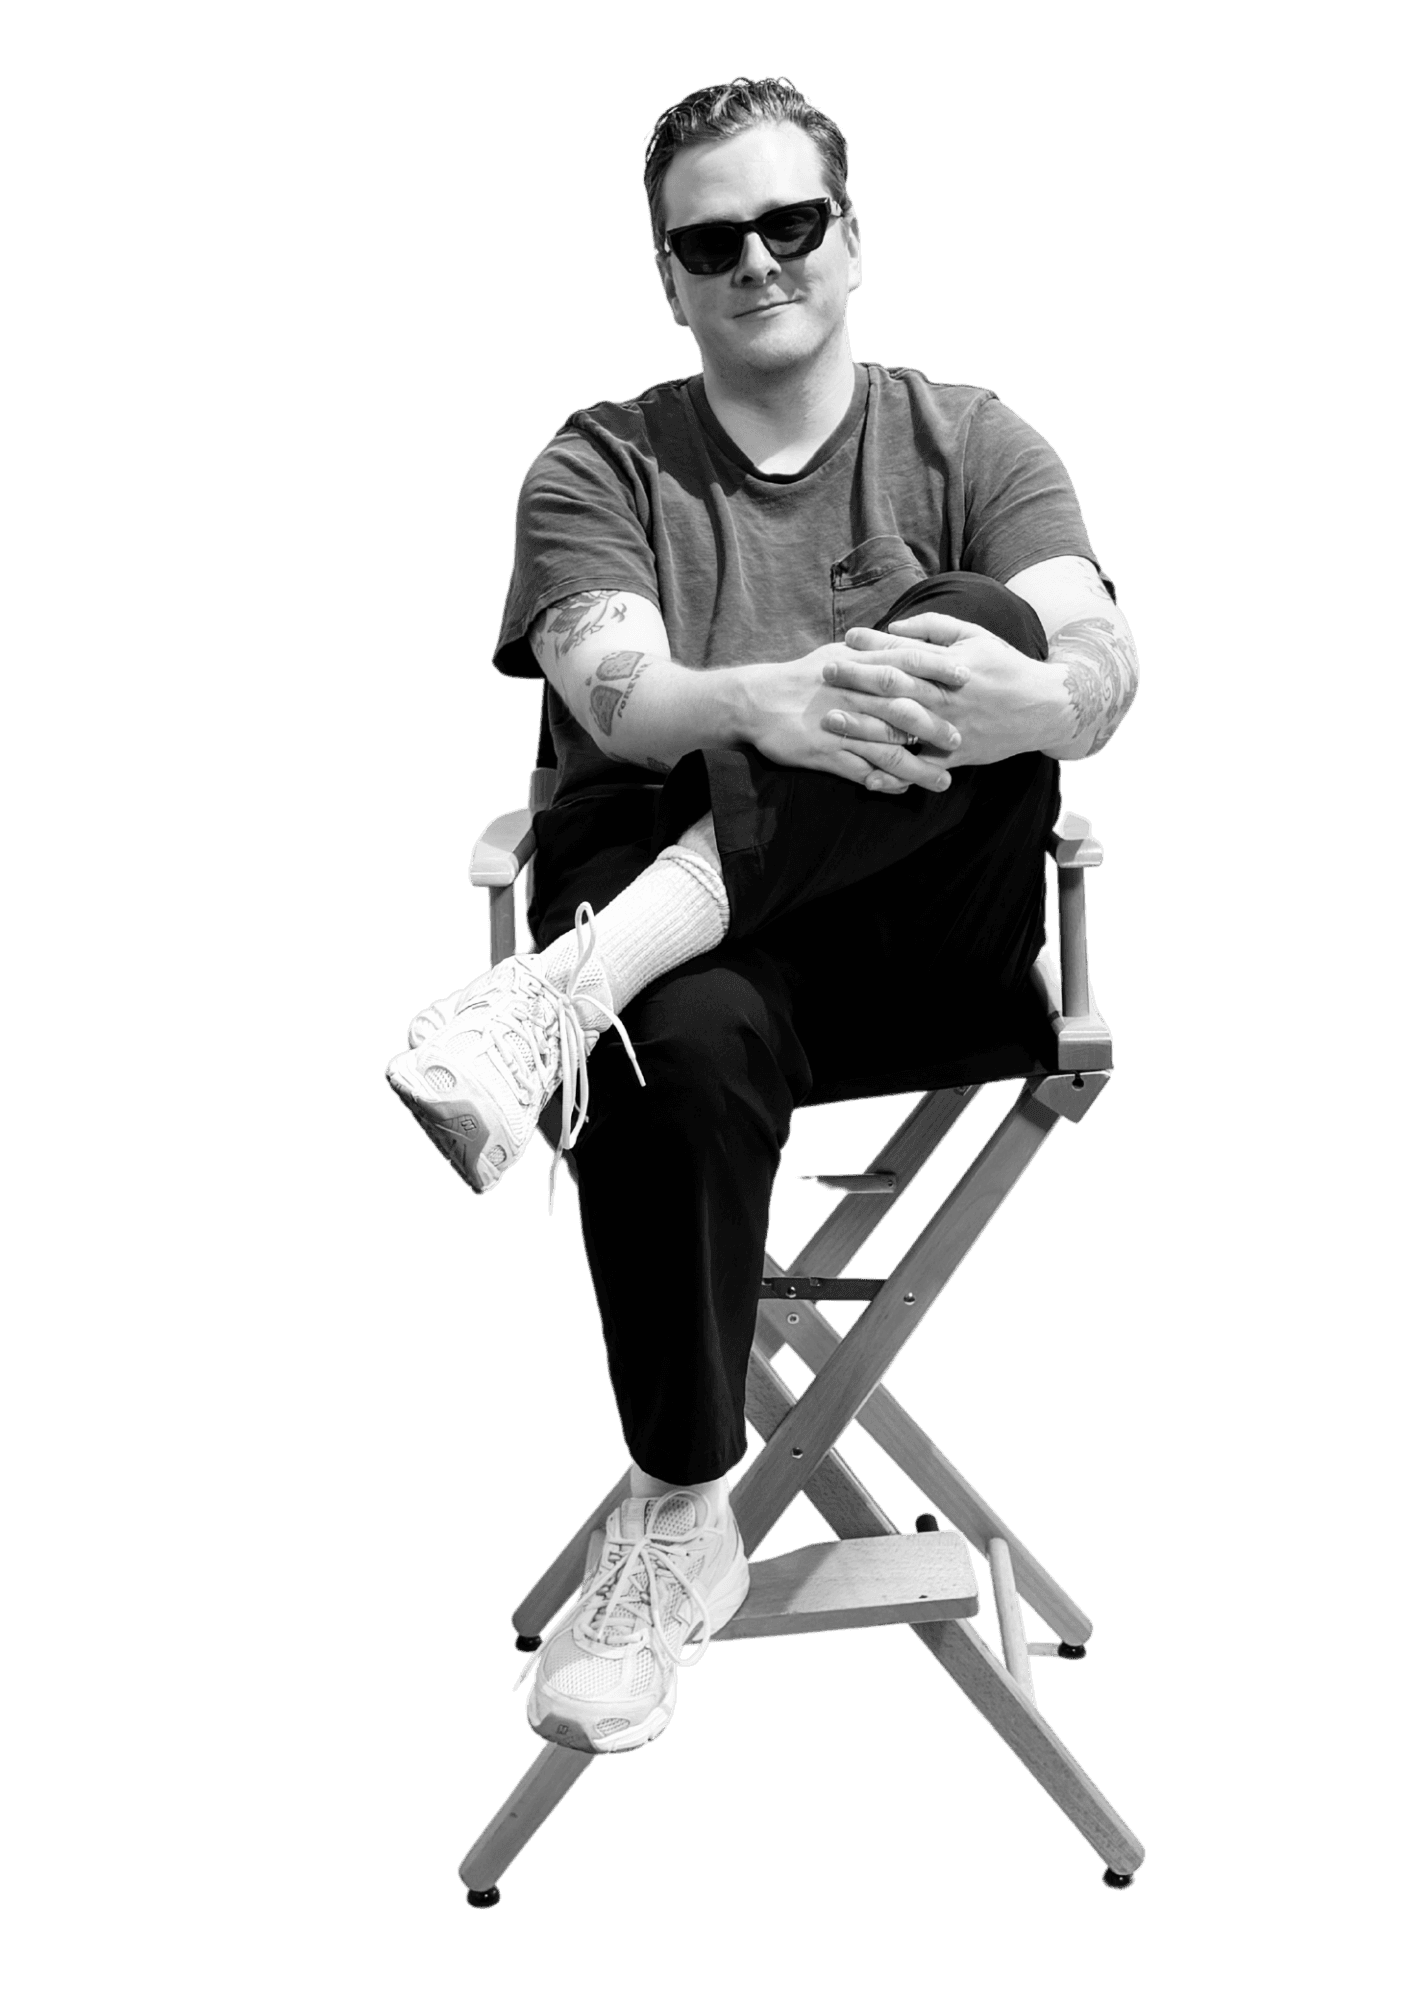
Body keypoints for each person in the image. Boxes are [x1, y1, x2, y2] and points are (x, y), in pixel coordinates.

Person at [386, 77, 1139, 1757]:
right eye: (712, 240)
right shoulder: (596, 461)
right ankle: (678, 1515)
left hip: (913, 951)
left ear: (852, 240)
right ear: (667, 277)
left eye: (791, 223)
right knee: (672, 1036)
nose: (758, 262)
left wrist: (1026, 702)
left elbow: (1097, 653)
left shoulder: (972, 441)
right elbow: (623, 692)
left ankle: (556, 991)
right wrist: (772, 702)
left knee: (979, 620)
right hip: (699, 980)